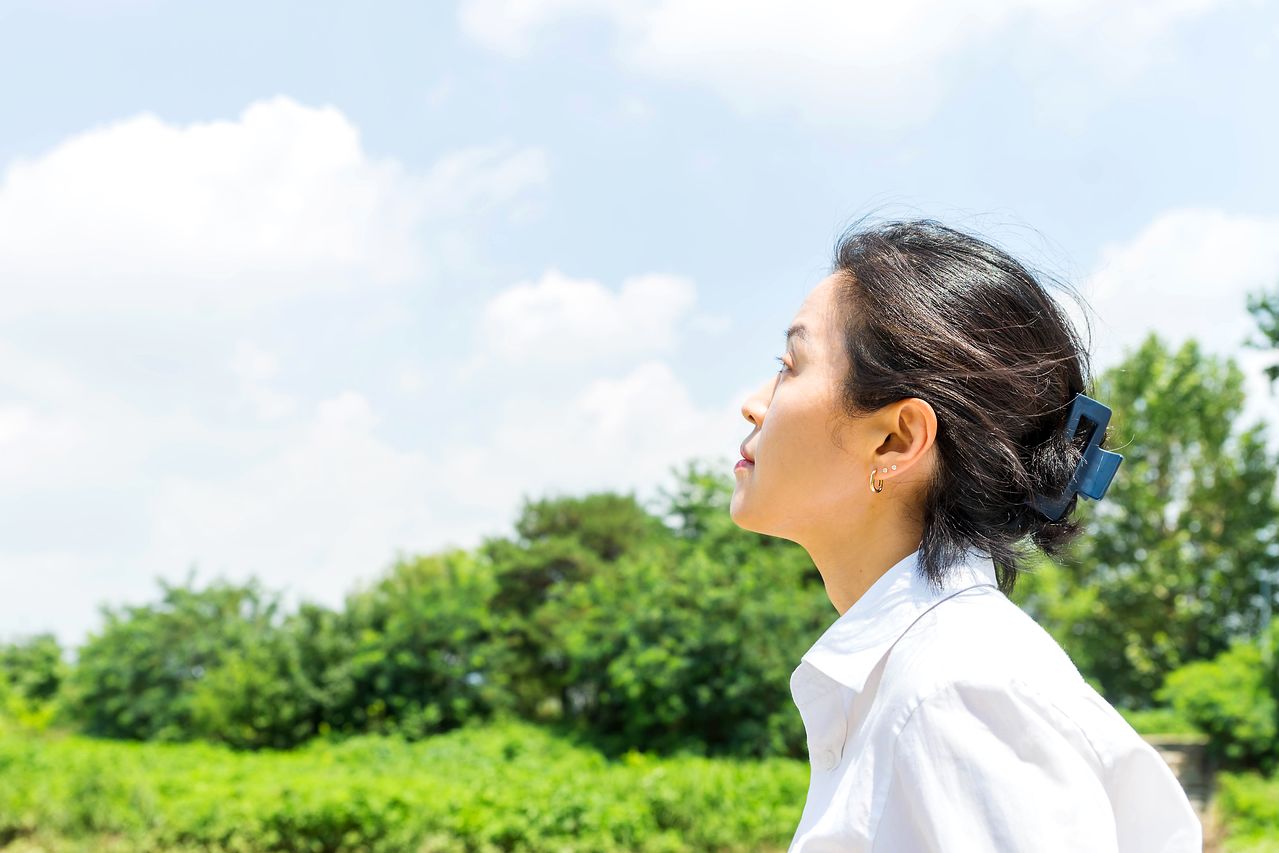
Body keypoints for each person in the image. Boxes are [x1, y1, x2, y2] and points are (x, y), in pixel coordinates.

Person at [732, 218, 1202, 852]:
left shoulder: (956, 690)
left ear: (896, 440)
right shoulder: (926, 676)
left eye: (790, 366)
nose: (754, 402)